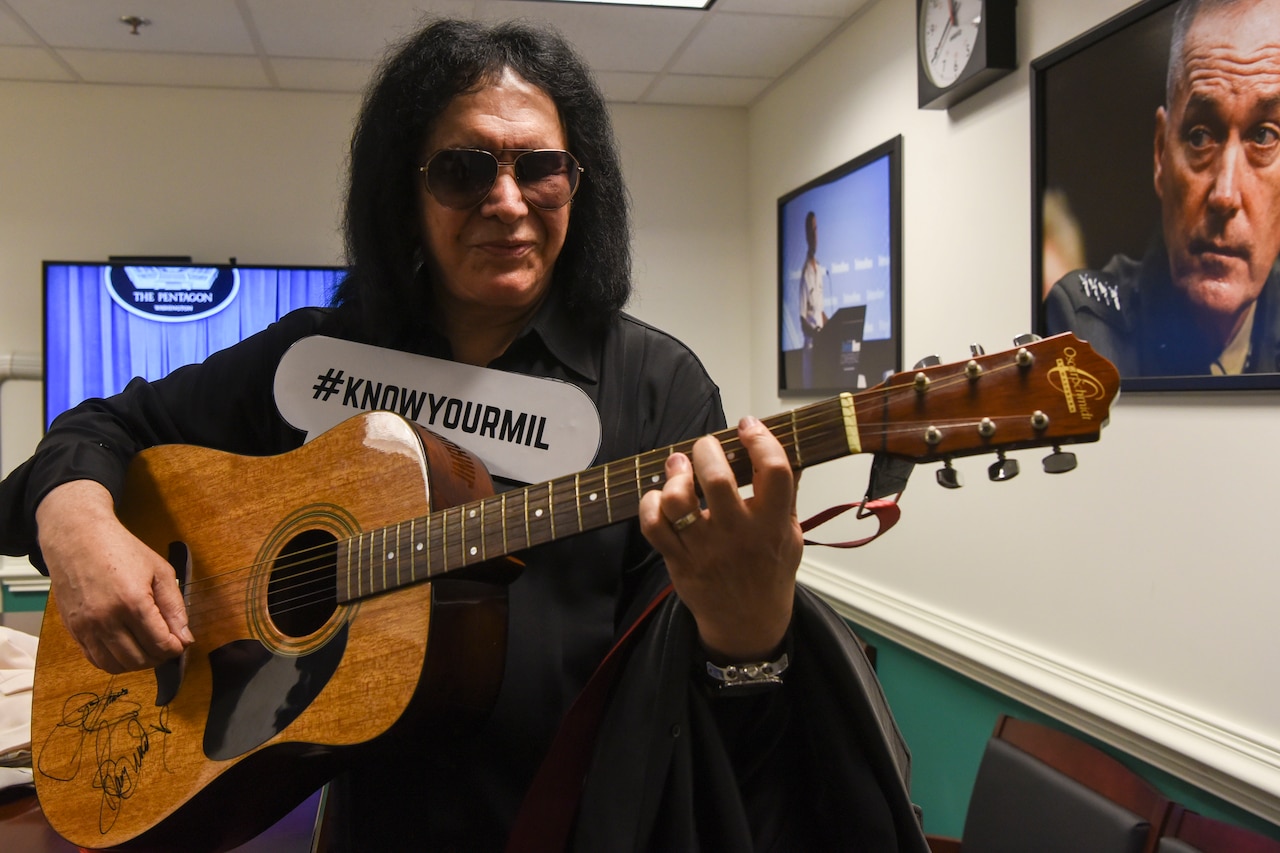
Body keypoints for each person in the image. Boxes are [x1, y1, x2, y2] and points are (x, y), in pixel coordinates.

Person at [0, 18, 927, 852]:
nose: (508, 200)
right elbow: (104, 426)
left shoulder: (657, 389)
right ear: (407, 188)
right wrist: (77, 522)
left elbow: (712, 734)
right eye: (463, 168)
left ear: (578, 185)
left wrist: (746, 626)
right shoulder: (319, 359)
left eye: (541, 168)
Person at [1046, 0, 1280, 378]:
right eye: (1201, 136)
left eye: (1264, 136)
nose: (1225, 194)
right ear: (1160, 154)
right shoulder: (1085, 332)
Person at [799, 210, 828, 387]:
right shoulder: (805, 274)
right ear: (807, 235)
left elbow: (820, 311)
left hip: (823, 350)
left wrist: (832, 327)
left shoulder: (819, 269)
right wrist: (817, 334)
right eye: (812, 231)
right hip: (811, 351)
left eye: (816, 230)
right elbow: (803, 319)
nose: (815, 235)